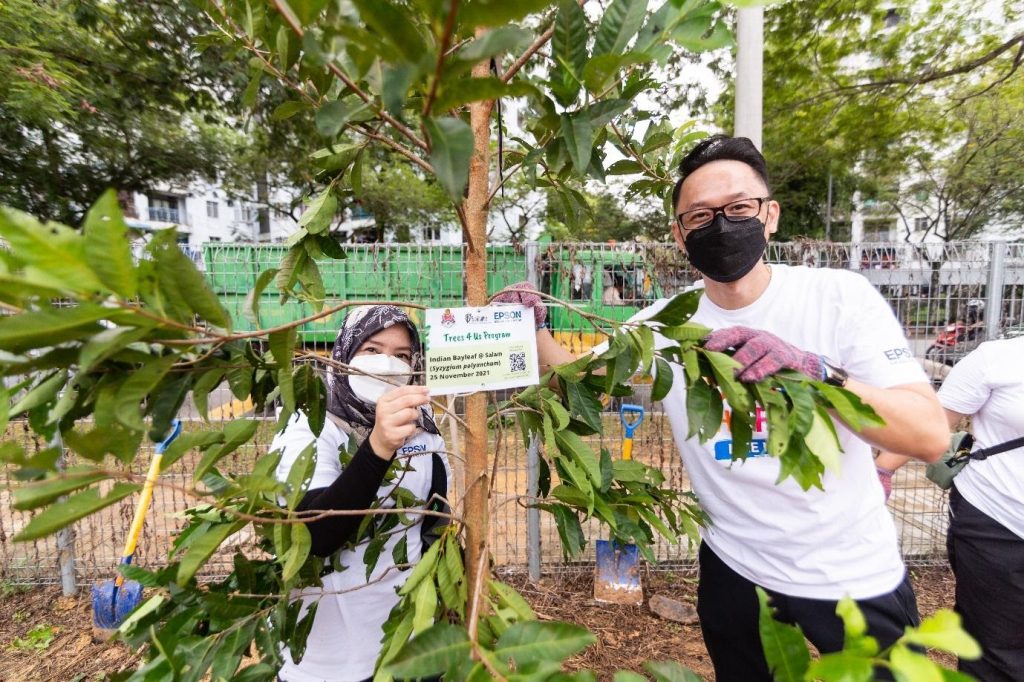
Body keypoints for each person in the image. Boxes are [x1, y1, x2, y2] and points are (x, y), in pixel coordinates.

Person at [495, 135, 949, 681]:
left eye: (738, 209)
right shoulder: (665, 323)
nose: (721, 226)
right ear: (680, 235)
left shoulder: (838, 297)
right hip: (735, 568)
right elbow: (575, 380)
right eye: (701, 216)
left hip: (849, 570)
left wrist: (816, 370)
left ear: (769, 215)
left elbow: (929, 435)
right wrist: (533, 323)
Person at [270, 305, 449, 682]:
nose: (386, 364)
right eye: (371, 350)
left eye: (402, 355)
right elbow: (313, 535)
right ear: (345, 353)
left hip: (408, 638)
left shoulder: (421, 424)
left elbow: (434, 521)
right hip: (330, 657)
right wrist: (378, 446)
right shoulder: (310, 424)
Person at [877, 336, 1024, 680]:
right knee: (995, 647)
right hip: (997, 519)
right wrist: (880, 473)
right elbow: (931, 426)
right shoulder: (998, 359)